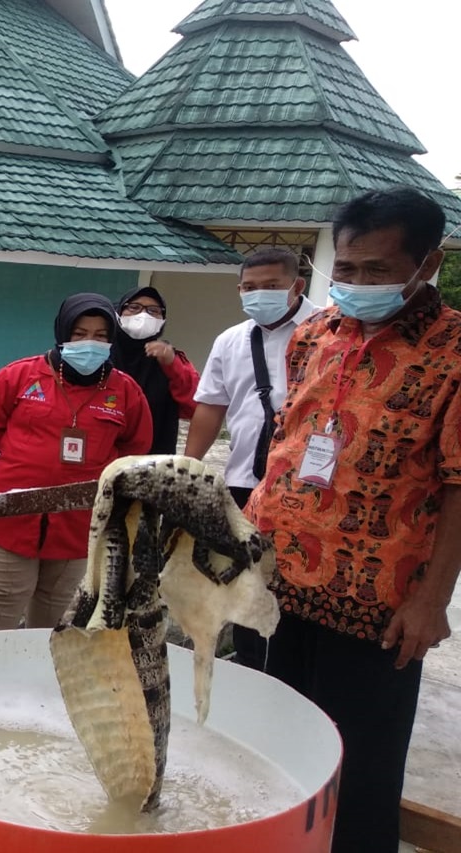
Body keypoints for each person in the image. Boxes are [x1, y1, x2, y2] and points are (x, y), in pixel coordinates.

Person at [245, 187, 460, 853]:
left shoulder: (455, 352)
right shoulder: (312, 335)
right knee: (263, 746)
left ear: (428, 263)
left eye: (378, 271)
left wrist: (432, 598)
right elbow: (287, 443)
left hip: (374, 601)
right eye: (347, 267)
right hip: (273, 583)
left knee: (357, 771)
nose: (358, 283)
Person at [0, 293, 153, 633]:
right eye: (80, 334)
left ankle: (38, 673)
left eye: (100, 336)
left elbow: (135, 448)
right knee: (3, 594)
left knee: (55, 600)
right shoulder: (20, 376)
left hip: (78, 518)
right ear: (62, 332)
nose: (90, 343)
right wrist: (27, 458)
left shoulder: (125, 392)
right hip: (12, 512)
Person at [183, 247, 320, 669]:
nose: (259, 295)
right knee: (245, 579)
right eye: (250, 287)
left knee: (299, 584)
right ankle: (249, 659)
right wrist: (190, 468)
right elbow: (210, 406)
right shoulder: (231, 340)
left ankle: (294, 671)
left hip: (309, 485)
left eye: (272, 287)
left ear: (296, 286)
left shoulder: (328, 333)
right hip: (246, 479)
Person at [111, 286, 199, 454]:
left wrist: (172, 364)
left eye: (154, 311)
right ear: (118, 313)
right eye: (134, 307)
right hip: (104, 460)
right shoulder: (102, 353)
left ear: (163, 320)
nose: (143, 315)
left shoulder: (169, 358)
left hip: (152, 462)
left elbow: (195, 406)